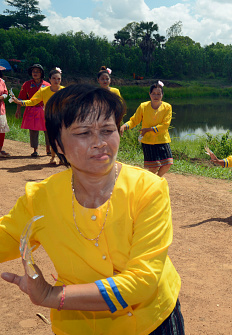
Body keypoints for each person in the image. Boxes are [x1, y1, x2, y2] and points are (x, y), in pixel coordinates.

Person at [0, 84, 184, 335]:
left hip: (152, 321)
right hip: (79, 326)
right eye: (83, 132)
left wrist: (52, 296)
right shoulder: (41, 198)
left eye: (107, 130)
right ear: (57, 144)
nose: (99, 143)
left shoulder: (148, 189)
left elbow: (142, 281)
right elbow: (7, 237)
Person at [12, 68, 65, 164]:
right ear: (50, 79)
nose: (56, 81)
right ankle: (53, 157)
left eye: (58, 79)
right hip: (50, 118)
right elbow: (33, 101)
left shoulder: (64, 91)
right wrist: (20, 102)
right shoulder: (43, 91)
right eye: (54, 78)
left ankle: (61, 157)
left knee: (61, 138)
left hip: (62, 118)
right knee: (52, 138)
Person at [120, 81, 173, 177]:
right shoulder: (143, 106)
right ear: (149, 94)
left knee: (168, 163)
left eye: (158, 94)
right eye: (153, 94)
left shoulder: (167, 107)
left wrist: (148, 129)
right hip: (148, 141)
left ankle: (156, 180)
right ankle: (147, 183)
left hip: (162, 139)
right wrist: (124, 126)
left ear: (162, 94)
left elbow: (165, 125)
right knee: (153, 167)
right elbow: (134, 120)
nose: (156, 96)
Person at [15, 64, 50, 157]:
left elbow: (51, 98)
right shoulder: (27, 84)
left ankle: (48, 149)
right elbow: (21, 98)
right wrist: (18, 110)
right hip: (31, 109)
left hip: (44, 109)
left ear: (41, 73)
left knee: (48, 129)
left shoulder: (47, 85)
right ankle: (35, 150)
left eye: (37, 71)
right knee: (33, 130)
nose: (35, 73)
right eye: (33, 71)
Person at [0, 67, 10, 157]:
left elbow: (6, 93)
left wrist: (2, 97)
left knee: (1, 129)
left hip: (0, 109)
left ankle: (0, 148)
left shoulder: (2, 81)